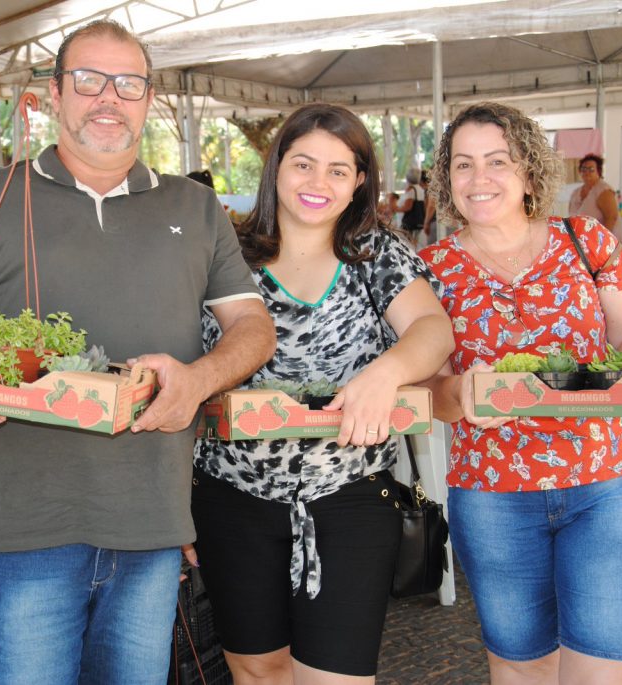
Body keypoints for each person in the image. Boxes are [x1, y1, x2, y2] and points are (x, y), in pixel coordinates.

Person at [0, 19, 275, 684]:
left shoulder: (195, 207)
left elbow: (253, 326)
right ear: (54, 95)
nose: (109, 98)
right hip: (26, 532)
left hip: (150, 528)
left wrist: (200, 378)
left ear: (149, 100)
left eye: (128, 84)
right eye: (89, 80)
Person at [191, 104, 453, 684]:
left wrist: (384, 374)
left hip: (350, 495)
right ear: (276, 167)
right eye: (303, 163)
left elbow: (433, 330)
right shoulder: (225, 253)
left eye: (338, 169)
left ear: (359, 181)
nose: (318, 182)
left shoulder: (376, 252)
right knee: (257, 669)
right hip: (231, 495)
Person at [419, 102, 622, 685]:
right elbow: (428, 389)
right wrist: (460, 393)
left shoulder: (587, 241)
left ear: (529, 172)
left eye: (497, 161)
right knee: (520, 667)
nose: (479, 178)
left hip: (608, 479)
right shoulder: (429, 270)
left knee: (607, 670)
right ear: (447, 180)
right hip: (494, 493)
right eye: (463, 164)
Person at [568, 152, 621, 241]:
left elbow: (612, 218)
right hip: (582, 241)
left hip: (604, 241)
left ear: (598, 172)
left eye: (591, 169)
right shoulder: (575, 192)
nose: (587, 172)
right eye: (584, 169)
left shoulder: (604, 190)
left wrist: (601, 241)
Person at [398, 167, 426, 244]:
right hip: (418, 221)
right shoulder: (421, 189)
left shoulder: (411, 190)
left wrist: (395, 208)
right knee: (414, 242)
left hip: (410, 223)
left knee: (408, 243)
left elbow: (408, 207)